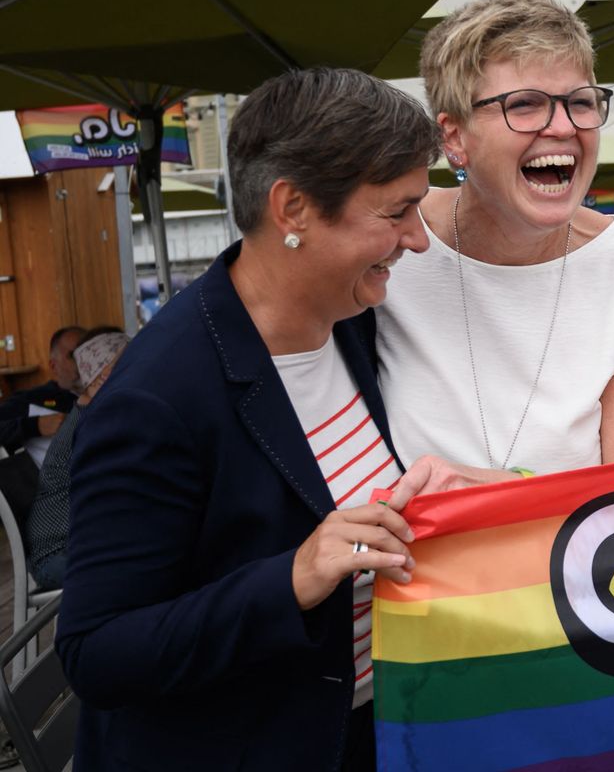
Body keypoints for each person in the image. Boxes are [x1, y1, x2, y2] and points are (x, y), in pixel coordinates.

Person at [58, 68, 518, 771]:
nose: (418, 238)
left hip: (375, 728)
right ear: (293, 209)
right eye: (397, 212)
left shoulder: (350, 319)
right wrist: (294, 577)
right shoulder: (157, 398)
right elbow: (97, 652)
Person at [378, 0, 614, 475]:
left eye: (580, 102)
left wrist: (497, 489)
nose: (564, 127)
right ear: (454, 137)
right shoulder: (390, 242)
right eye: (524, 104)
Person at [24, 326, 128, 588]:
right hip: (59, 555)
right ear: (102, 376)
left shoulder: (94, 416)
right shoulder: (91, 425)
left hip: (81, 546)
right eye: (129, 365)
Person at [0, 325, 84, 462]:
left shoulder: (107, 393)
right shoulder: (35, 399)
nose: (83, 361)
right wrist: (35, 426)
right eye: (73, 356)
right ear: (54, 366)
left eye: (88, 352)